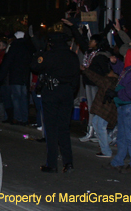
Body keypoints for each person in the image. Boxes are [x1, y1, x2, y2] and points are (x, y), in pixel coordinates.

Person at [30, 31, 80, 173]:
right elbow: (77, 77)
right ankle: (68, 162)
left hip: (51, 92)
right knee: (64, 128)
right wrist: (71, 91)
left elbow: (34, 66)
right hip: (67, 92)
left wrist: (39, 51)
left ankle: (52, 164)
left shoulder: (48, 55)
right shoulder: (72, 56)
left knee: (51, 129)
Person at [105, 49, 131, 173]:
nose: (125, 56)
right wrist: (115, 63)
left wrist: (116, 93)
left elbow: (130, 94)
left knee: (130, 136)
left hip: (129, 106)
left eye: (127, 55)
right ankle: (119, 161)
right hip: (124, 106)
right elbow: (120, 68)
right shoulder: (129, 70)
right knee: (122, 136)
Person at [0, 31, 33, 125]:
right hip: (25, 76)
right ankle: (24, 118)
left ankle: (18, 118)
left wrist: (0, 76)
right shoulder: (28, 46)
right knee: (24, 98)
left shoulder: (14, 47)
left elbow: (7, 62)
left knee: (16, 98)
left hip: (15, 76)